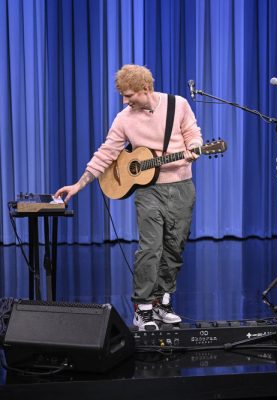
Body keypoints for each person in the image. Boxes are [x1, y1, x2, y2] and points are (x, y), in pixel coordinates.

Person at [55, 65, 202, 330]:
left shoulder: (177, 105)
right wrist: (79, 184)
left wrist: (194, 147)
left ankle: (162, 301)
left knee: (174, 247)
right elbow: (106, 153)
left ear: (146, 89)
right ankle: (143, 308)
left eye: (129, 95)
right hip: (148, 191)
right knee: (150, 248)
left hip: (181, 186)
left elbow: (193, 134)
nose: (125, 101)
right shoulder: (124, 119)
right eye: (123, 95)